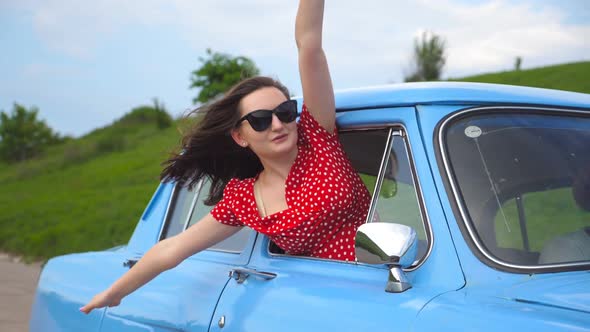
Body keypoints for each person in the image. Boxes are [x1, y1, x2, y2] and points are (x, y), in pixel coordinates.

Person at [80, 0, 370, 314]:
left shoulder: (318, 139)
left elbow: (309, 46)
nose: (277, 124)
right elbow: (174, 248)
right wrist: (116, 292)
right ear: (240, 136)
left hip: (377, 284)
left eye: (284, 113)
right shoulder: (243, 198)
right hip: (312, 305)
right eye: (260, 119)